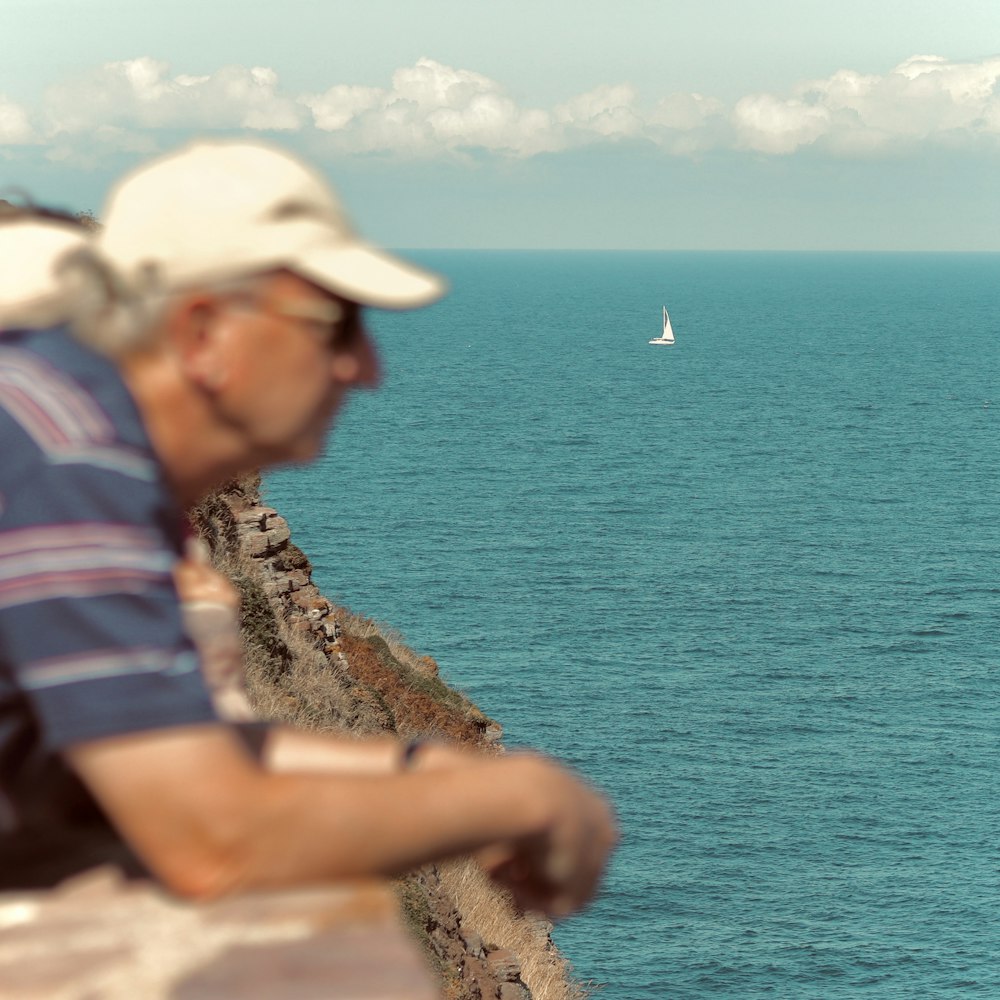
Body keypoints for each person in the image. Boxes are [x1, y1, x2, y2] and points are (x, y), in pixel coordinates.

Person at [0, 140, 616, 916]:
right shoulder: (67, 460)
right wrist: (523, 799)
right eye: (336, 324)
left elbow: (168, 747)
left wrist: (428, 774)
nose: (366, 368)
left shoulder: (60, 421)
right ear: (201, 332)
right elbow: (208, 839)